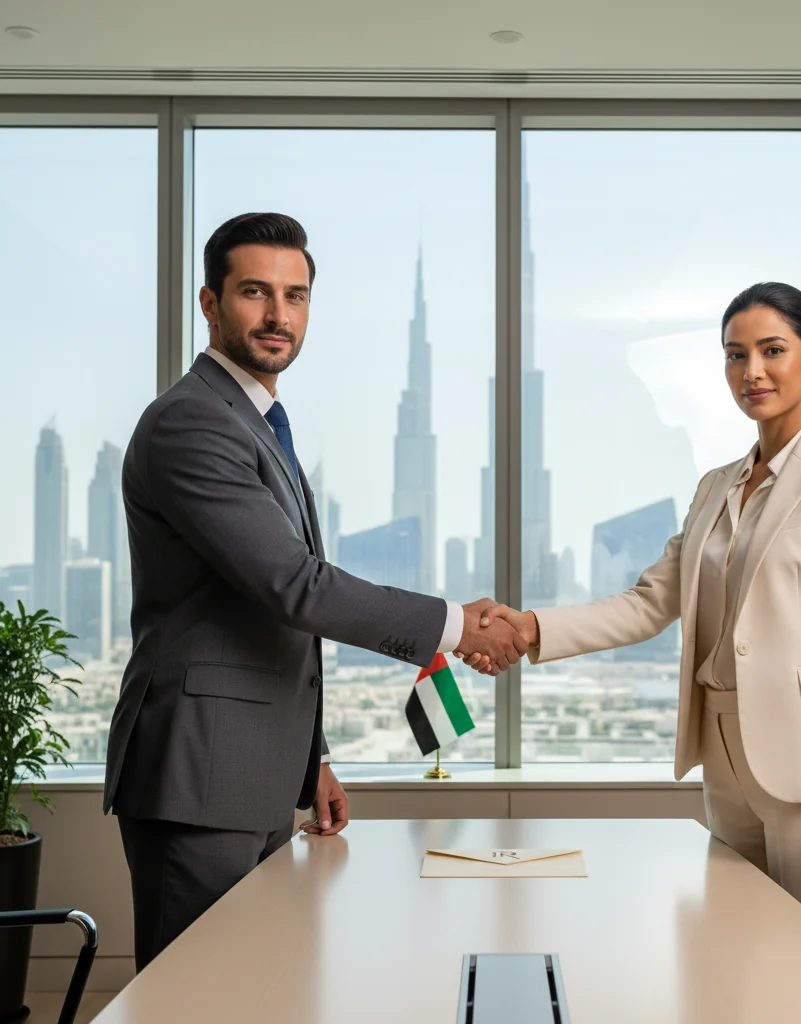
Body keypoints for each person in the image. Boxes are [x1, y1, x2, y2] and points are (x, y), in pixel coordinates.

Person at [104, 212, 526, 970]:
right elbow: (295, 588)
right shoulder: (192, 423)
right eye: (255, 293)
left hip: (251, 773)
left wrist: (313, 759)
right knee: (195, 1000)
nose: (278, 316)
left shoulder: (259, 424)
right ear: (210, 303)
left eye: (295, 296)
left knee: (254, 992)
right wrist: (458, 625)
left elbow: (265, 624)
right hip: (198, 775)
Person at [472, 282, 801, 957]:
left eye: (772, 351)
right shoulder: (716, 486)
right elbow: (649, 603)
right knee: (734, 954)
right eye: (735, 355)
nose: (751, 372)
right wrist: (529, 629)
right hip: (726, 759)